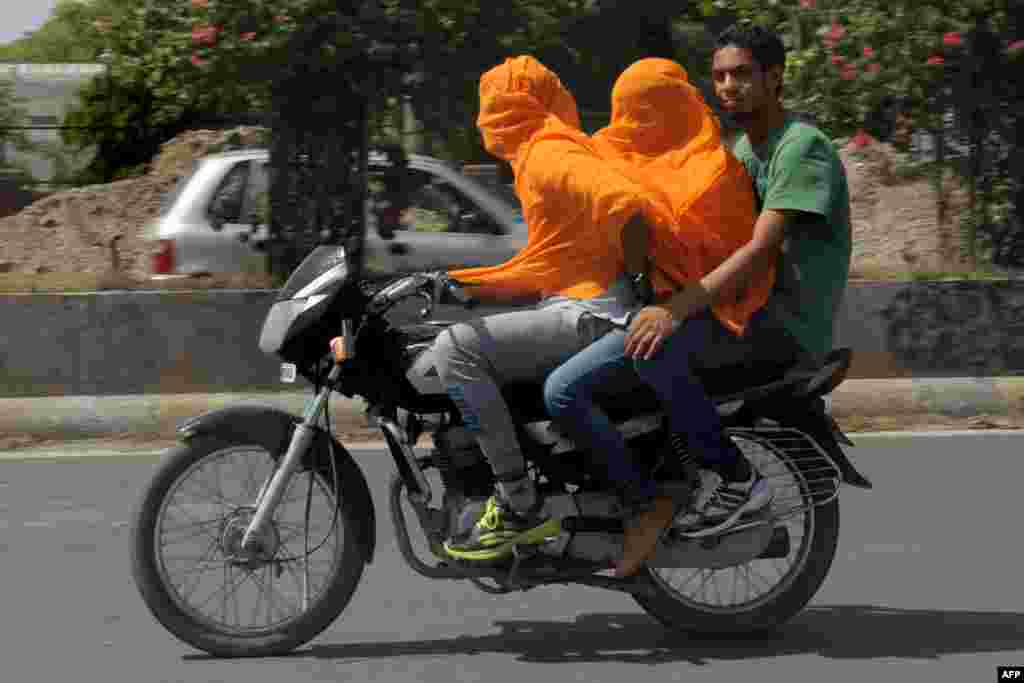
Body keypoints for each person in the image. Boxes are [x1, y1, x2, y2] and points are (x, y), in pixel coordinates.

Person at [544, 23, 853, 577]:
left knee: (630, 359)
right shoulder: (732, 149)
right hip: (731, 311)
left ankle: (732, 479)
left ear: (775, 78)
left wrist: (675, 308)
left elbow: (760, 248)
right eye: (719, 76)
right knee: (589, 373)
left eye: (741, 74)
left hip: (777, 326)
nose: (728, 87)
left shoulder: (801, 148)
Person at [433, 56, 685, 563]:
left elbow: (626, 205)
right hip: (577, 301)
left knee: (454, 349)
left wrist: (641, 291)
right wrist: (464, 285)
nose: (486, 115)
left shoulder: (547, 154)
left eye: (494, 101)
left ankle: (516, 501)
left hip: (592, 312)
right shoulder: (536, 158)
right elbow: (554, 263)